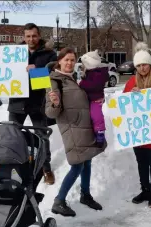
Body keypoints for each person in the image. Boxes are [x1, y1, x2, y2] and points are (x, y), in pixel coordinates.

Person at [45, 48, 106, 217]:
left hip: (84, 126)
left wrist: (99, 99)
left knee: (87, 161)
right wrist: (55, 103)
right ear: (59, 61)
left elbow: (86, 96)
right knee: (77, 165)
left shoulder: (73, 78)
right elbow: (50, 112)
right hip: (72, 128)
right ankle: (59, 201)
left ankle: (85, 195)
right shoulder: (54, 80)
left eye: (72, 60)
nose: (70, 63)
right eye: (66, 60)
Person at [8, 23, 57, 185]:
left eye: (34, 36)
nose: (31, 39)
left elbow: (52, 75)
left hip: (38, 102)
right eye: (28, 36)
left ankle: (46, 168)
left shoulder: (49, 54)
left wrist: (36, 70)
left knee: (42, 137)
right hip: (17, 102)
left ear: (39, 36)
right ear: (23, 37)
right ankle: (13, 167)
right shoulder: (13, 54)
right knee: (13, 137)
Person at [123, 43, 151, 208]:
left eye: (145, 64)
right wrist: (130, 95)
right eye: (139, 65)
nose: (142, 68)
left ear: (150, 64)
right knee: (141, 162)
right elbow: (123, 105)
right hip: (138, 131)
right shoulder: (130, 82)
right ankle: (145, 189)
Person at [78, 50, 109, 146]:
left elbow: (94, 85)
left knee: (96, 116)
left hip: (94, 99)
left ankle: (99, 133)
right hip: (89, 99)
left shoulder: (96, 73)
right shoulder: (89, 72)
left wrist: (82, 84)